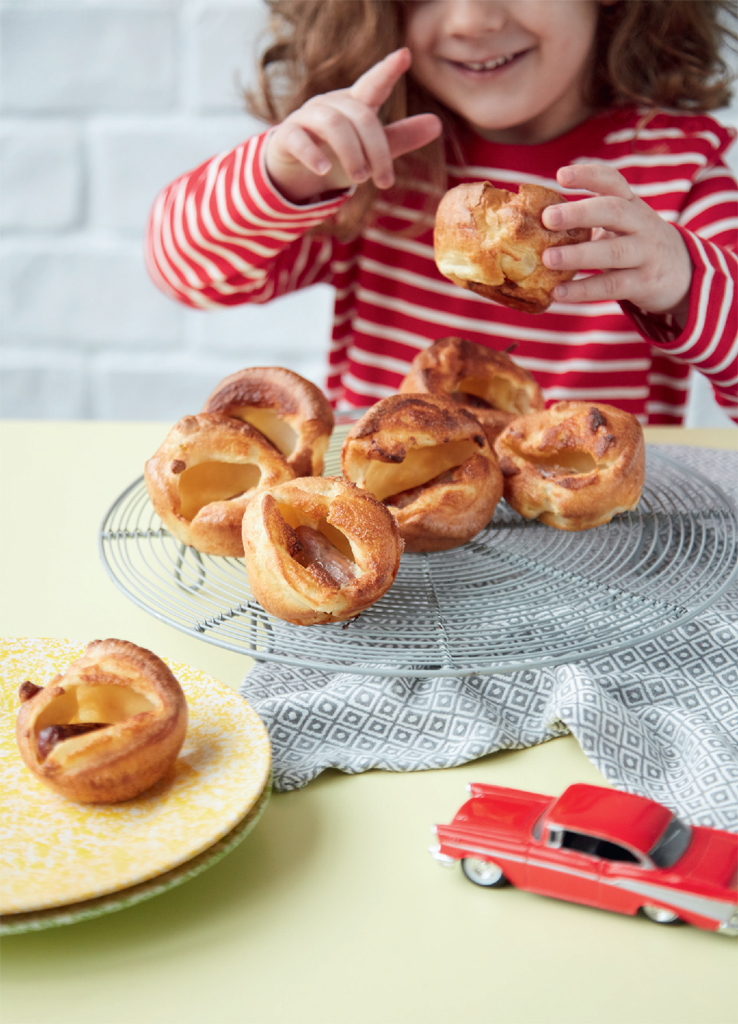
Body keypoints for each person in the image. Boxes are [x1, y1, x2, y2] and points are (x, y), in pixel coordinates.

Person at [146, 0, 738, 424]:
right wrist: (279, 177)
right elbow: (186, 274)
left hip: (591, 552)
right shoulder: (372, 164)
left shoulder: (677, 169)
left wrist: (684, 278)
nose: (472, 20)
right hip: (393, 541)